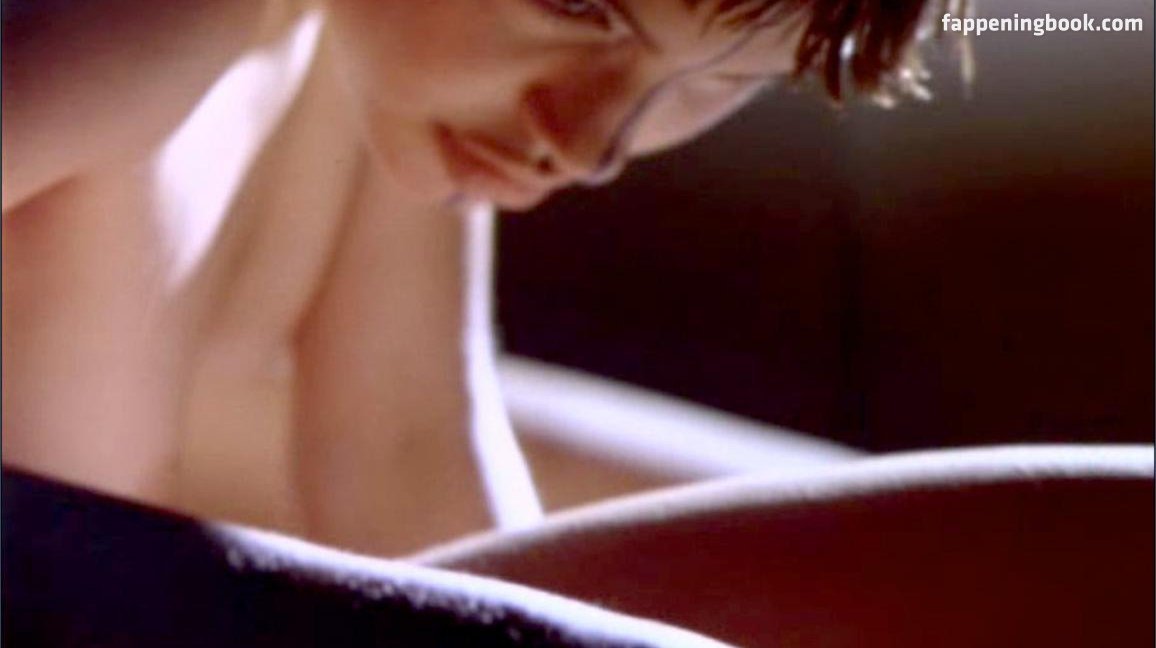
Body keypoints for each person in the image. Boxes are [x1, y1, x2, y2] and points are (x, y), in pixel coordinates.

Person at [2, 0, 933, 556]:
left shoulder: (373, 75)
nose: (589, 143)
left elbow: (408, 461)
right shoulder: (129, 31)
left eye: (724, 79)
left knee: (919, 563)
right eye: (576, 2)